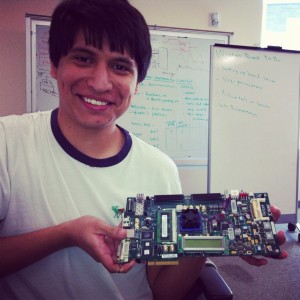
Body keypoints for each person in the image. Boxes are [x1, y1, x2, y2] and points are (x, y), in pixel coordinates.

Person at [0, 0, 287, 299]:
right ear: (55, 65)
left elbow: (162, 291)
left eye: (120, 66)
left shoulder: (160, 169)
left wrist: (207, 239)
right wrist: (66, 234)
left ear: (137, 83)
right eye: (83, 59)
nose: (99, 83)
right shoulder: (7, 143)